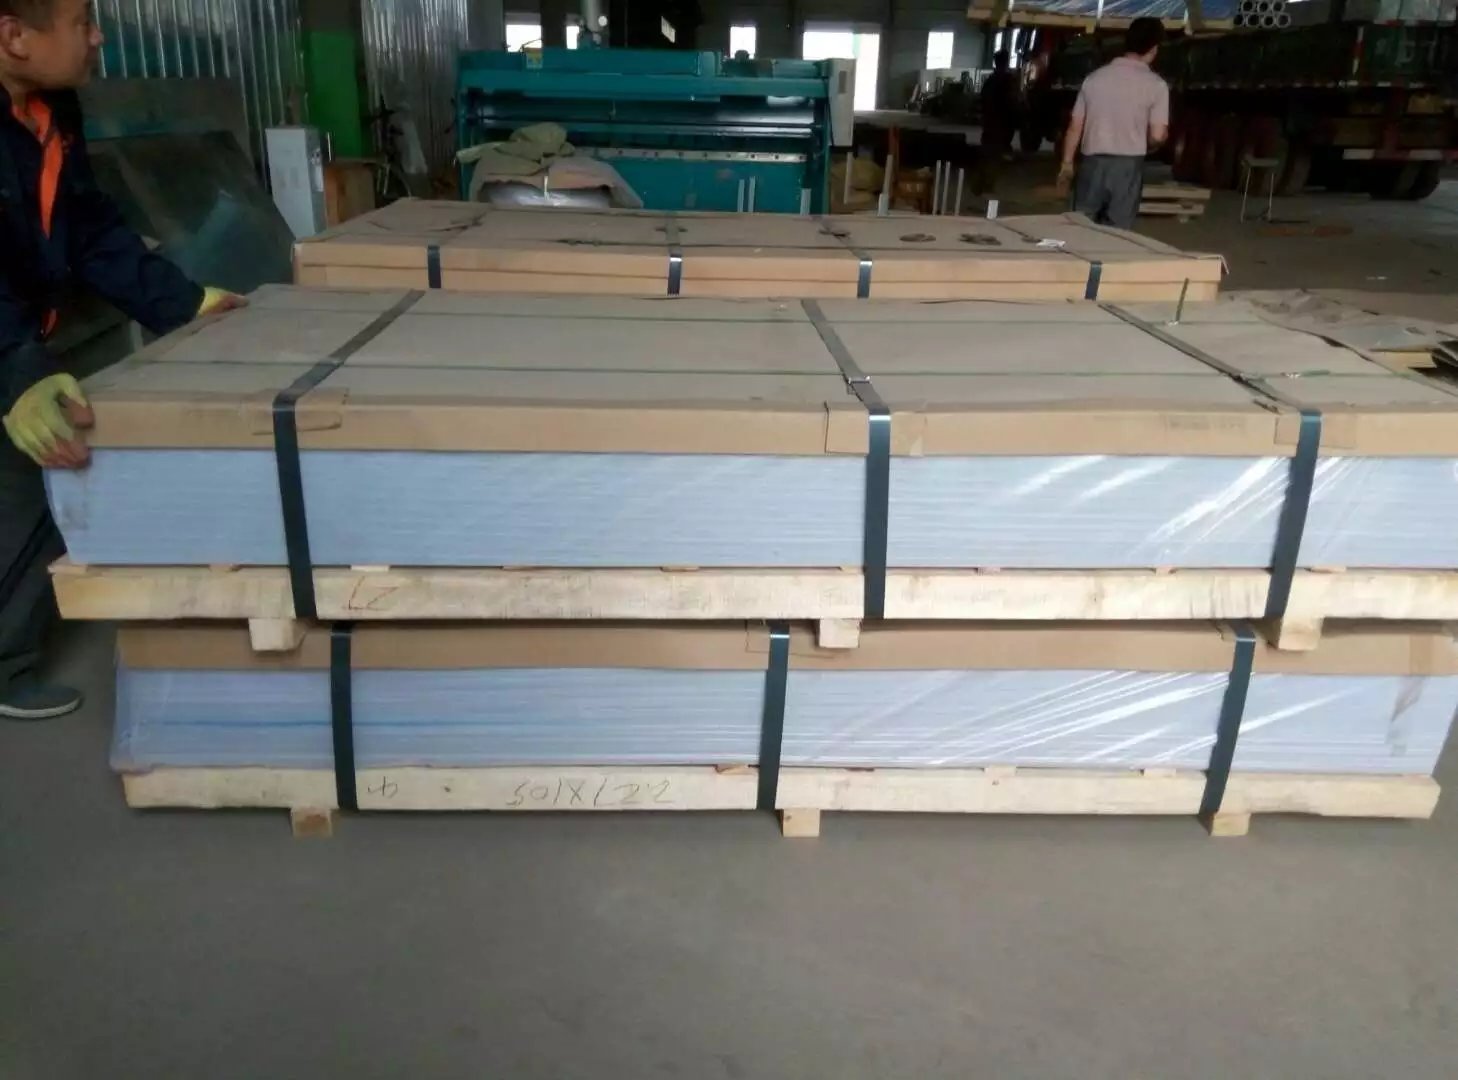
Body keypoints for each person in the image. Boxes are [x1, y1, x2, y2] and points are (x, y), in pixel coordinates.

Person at [1, 0, 242, 719]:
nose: (99, 36)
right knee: (28, 475)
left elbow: (91, 229)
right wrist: (16, 368)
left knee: (46, 472)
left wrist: (184, 303)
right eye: (82, 22)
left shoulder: (50, 113)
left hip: (16, 326)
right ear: (15, 36)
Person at [1055, 16, 1169, 229]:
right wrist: (1154, 143)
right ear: (1154, 48)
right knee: (1118, 232)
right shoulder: (1156, 85)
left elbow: (1075, 127)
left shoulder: (1094, 79)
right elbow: (1156, 135)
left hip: (1092, 164)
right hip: (1128, 167)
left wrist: (1067, 164)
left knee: (1081, 226)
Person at [976, 50, 1019, 195]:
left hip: (990, 123)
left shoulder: (991, 80)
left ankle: (980, 185)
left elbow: (982, 101)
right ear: (1006, 62)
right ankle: (987, 186)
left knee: (987, 154)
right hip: (1000, 125)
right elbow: (1013, 103)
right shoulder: (1008, 81)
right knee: (994, 157)